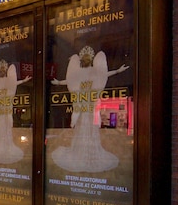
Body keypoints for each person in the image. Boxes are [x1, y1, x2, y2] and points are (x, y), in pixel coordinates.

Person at [50, 45, 129, 173]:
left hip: (90, 105)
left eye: (88, 58)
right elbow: (71, 81)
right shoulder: (79, 72)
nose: (86, 61)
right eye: (84, 59)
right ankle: (80, 153)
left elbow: (104, 74)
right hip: (82, 105)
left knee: (91, 128)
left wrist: (118, 71)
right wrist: (59, 83)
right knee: (81, 127)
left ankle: (90, 154)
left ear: (91, 59)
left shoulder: (95, 71)